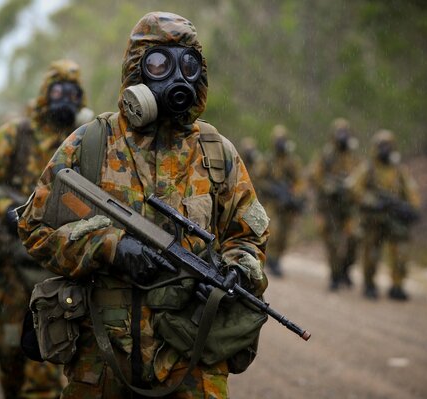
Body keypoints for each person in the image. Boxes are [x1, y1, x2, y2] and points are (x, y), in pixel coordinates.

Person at [18, 12, 269, 399]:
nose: (177, 77)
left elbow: (249, 237)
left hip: (192, 358)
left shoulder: (217, 153)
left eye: (188, 64)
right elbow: (35, 230)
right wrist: (109, 247)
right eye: (159, 63)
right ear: (136, 69)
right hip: (101, 361)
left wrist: (237, 270)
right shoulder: (89, 145)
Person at [0, 59, 91, 398]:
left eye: (73, 92)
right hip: (11, 268)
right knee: (9, 352)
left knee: (46, 358)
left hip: (55, 267)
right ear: (44, 94)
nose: (65, 97)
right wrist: (6, 208)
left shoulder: (84, 140)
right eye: (58, 90)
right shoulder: (17, 134)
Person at [348, 129, 421, 300]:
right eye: (382, 146)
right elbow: (353, 188)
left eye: (388, 146)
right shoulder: (368, 168)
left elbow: (412, 192)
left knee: (400, 253)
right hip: (374, 219)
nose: (385, 149)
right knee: (371, 254)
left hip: (394, 220)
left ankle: (397, 285)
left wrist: (409, 207)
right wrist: (372, 201)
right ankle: (369, 284)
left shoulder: (399, 171)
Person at [309, 118, 362, 290]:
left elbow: (361, 177)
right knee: (332, 243)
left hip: (348, 208)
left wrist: (351, 186)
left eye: (345, 132)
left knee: (355, 237)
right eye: (339, 132)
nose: (343, 136)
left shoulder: (353, 156)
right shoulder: (326, 155)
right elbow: (314, 176)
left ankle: (345, 269)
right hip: (330, 208)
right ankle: (334, 276)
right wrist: (328, 186)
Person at [256, 124, 304, 277]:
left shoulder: (292, 161)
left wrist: (293, 195)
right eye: (278, 140)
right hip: (272, 203)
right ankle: (273, 260)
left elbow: (299, 181)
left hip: (286, 205)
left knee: (285, 236)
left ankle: (276, 259)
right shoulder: (267, 160)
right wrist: (273, 190)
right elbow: (258, 179)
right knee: (273, 232)